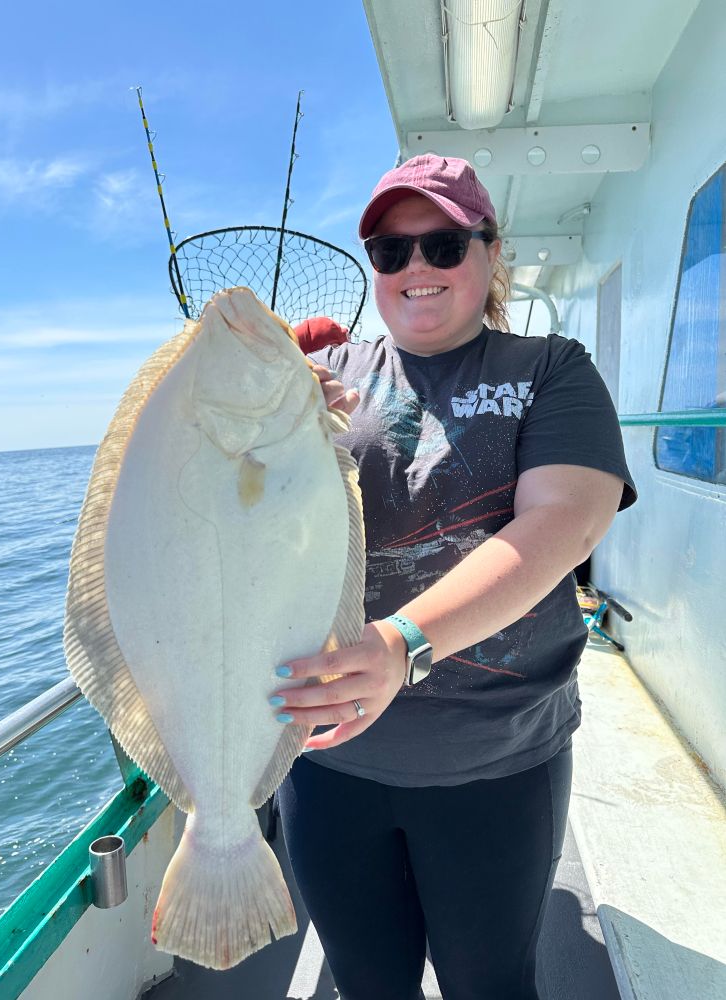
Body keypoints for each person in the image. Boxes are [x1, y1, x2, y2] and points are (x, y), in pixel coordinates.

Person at [272, 154, 637, 1000]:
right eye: (390, 252)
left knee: (490, 985)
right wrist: (259, 393)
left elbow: (565, 521)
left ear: (489, 251)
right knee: (368, 984)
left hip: (497, 762)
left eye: (441, 245)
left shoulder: (550, 368)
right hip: (328, 766)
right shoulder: (327, 380)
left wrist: (403, 644)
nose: (416, 270)